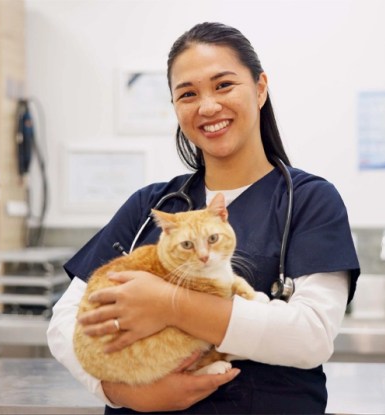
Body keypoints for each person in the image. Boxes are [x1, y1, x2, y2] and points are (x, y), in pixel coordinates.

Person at [47, 22, 360, 414]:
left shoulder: (310, 201)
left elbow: (312, 336)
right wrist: (119, 392)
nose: (208, 106)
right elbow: (64, 321)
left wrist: (169, 304)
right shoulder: (151, 206)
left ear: (260, 88)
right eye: (188, 94)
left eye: (223, 85)